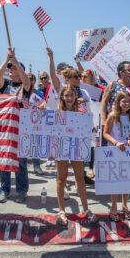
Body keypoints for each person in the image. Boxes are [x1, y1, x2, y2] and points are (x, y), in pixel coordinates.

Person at [54, 85, 98, 226]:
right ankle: (61, 210)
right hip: (62, 147)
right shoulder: (57, 112)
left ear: (75, 97)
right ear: (62, 97)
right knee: (61, 179)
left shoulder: (81, 111)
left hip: (77, 147)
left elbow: (88, 128)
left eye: (71, 95)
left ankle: (85, 209)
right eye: (66, 96)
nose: (69, 98)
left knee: (80, 178)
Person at [0, 47, 31, 203]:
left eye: (14, 69)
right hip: (6, 129)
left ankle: (22, 191)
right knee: (4, 160)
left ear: (20, 71)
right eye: (10, 69)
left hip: (22, 129)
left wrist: (16, 62)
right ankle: (4, 190)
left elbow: (27, 81)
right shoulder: (6, 86)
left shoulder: (25, 87)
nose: (10, 71)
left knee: (21, 162)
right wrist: (7, 59)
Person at [103, 91, 130, 221]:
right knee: (115, 180)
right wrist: (116, 142)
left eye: (128, 101)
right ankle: (113, 206)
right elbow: (105, 133)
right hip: (114, 151)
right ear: (118, 102)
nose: (126, 104)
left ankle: (125, 205)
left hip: (128, 152)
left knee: (126, 180)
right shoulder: (112, 116)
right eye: (123, 101)